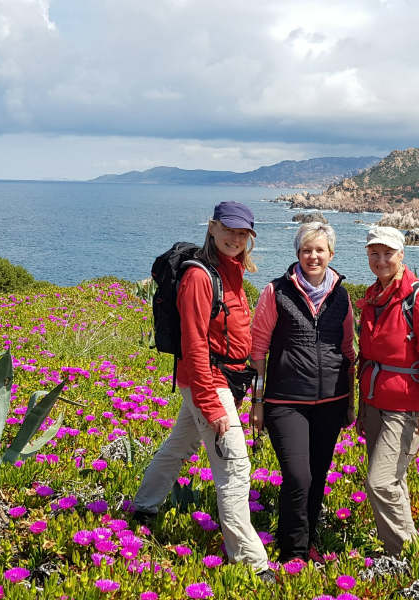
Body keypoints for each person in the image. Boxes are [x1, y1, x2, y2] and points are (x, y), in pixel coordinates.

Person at [132, 201, 271, 580]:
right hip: (209, 383)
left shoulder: (233, 271)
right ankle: (252, 563)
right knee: (235, 469)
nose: (234, 238)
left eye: (243, 233)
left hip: (221, 381)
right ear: (212, 227)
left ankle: (143, 508)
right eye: (228, 230)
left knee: (178, 446)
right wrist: (211, 404)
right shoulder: (199, 277)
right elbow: (194, 344)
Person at [249, 221, 356, 564]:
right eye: (307, 249)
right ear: (297, 253)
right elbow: (258, 351)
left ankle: (306, 540)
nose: (313, 256)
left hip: (331, 402)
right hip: (285, 402)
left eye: (320, 250)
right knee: (298, 476)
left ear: (331, 254)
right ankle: (292, 554)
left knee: (318, 477)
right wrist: (258, 401)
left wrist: (351, 402)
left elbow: (349, 352)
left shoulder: (341, 295)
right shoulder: (275, 292)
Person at [355, 225, 419, 557]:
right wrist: (363, 408)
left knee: (380, 483)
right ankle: (405, 553)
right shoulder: (373, 296)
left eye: (388, 253)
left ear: (401, 255)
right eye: (374, 254)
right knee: (395, 481)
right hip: (376, 404)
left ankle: (405, 555)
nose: (381, 260)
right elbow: (367, 356)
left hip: (406, 409)